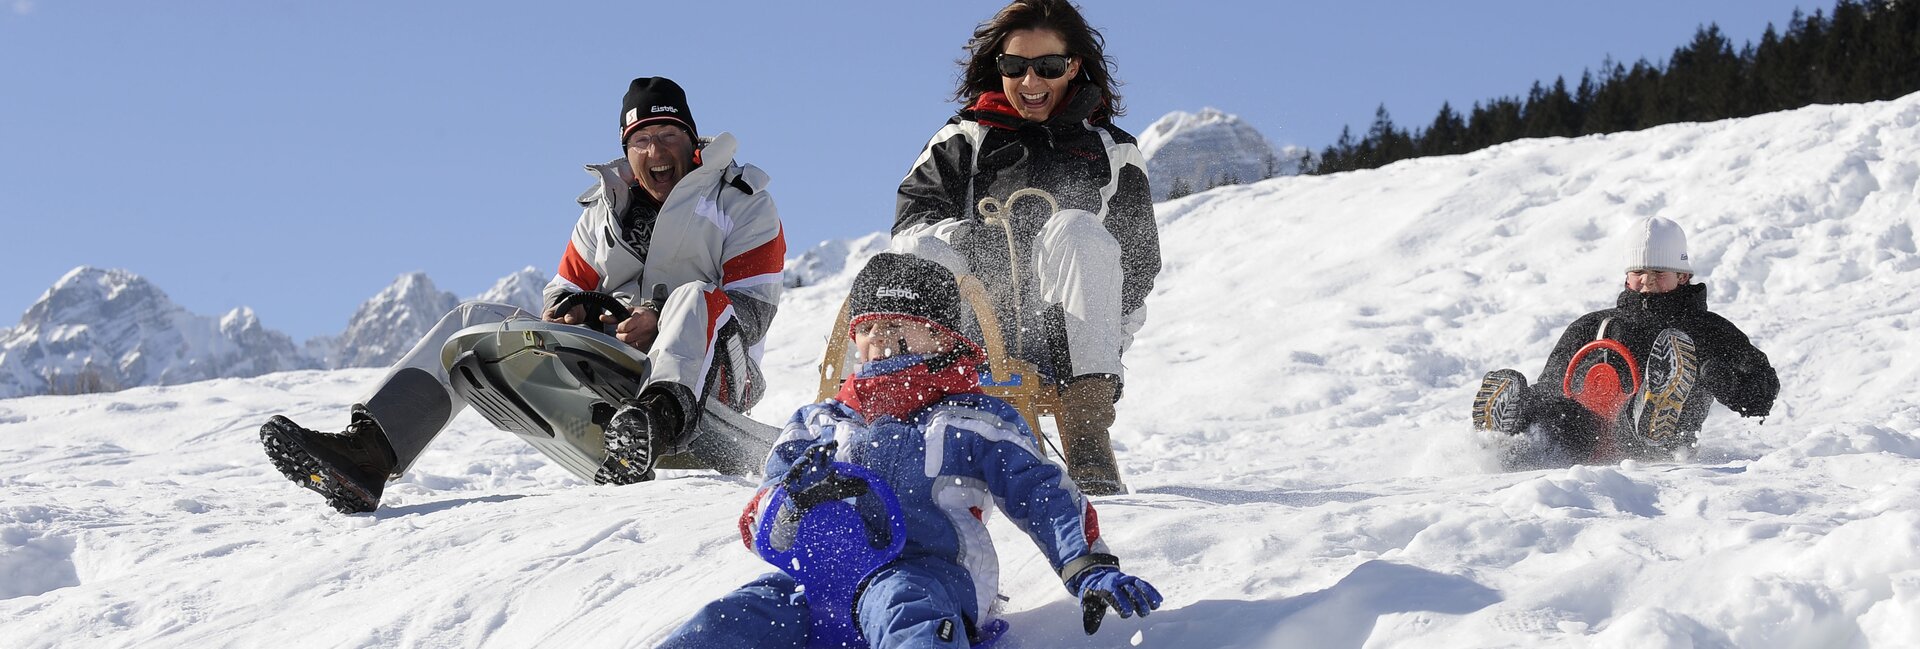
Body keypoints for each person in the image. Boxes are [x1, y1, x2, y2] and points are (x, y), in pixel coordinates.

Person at [259, 76, 787, 513]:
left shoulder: (741, 202)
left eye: (668, 135)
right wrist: (574, 309)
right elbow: (561, 291)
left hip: (717, 379)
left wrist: (661, 313)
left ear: (692, 142)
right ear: (627, 151)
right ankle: (369, 452)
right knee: (472, 322)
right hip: (626, 365)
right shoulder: (603, 214)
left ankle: (656, 424)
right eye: (641, 140)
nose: (656, 151)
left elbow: (752, 313)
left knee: (696, 297)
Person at [659, 253, 1162, 648]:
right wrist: (795, 500)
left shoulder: (972, 419)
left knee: (904, 608)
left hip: (928, 576)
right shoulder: (821, 422)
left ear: (942, 337)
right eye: (870, 329)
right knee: (737, 616)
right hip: (818, 580)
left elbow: (1040, 490)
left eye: (899, 327)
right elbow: (760, 511)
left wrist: (1085, 564)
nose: (881, 341)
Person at [892, 0, 1159, 496]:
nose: (1030, 82)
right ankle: (893, 422)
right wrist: (974, 244)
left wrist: (1065, 278)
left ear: (1073, 66)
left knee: (1076, 228)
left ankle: (1086, 436)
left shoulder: (1113, 149)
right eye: (1015, 67)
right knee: (920, 251)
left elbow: (1139, 259)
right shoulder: (965, 138)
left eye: (1048, 67)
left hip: (1074, 335)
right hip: (975, 324)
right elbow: (910, 227)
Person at [1472, 216, 1778, 464]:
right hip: (1585, 436)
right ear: (1626, 275)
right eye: (1638, 271)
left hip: (1654, 449)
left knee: (1644, 407)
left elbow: (1763, 392)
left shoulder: (1710, 331)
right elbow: (1555, 380)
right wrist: (1535, 403)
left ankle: (1655, 411)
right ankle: (1509, 430)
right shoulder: (1595, 324)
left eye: (1659, 271)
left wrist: (1726, 382)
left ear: (1682, 276)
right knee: (1553, 408)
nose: (1647, 280)